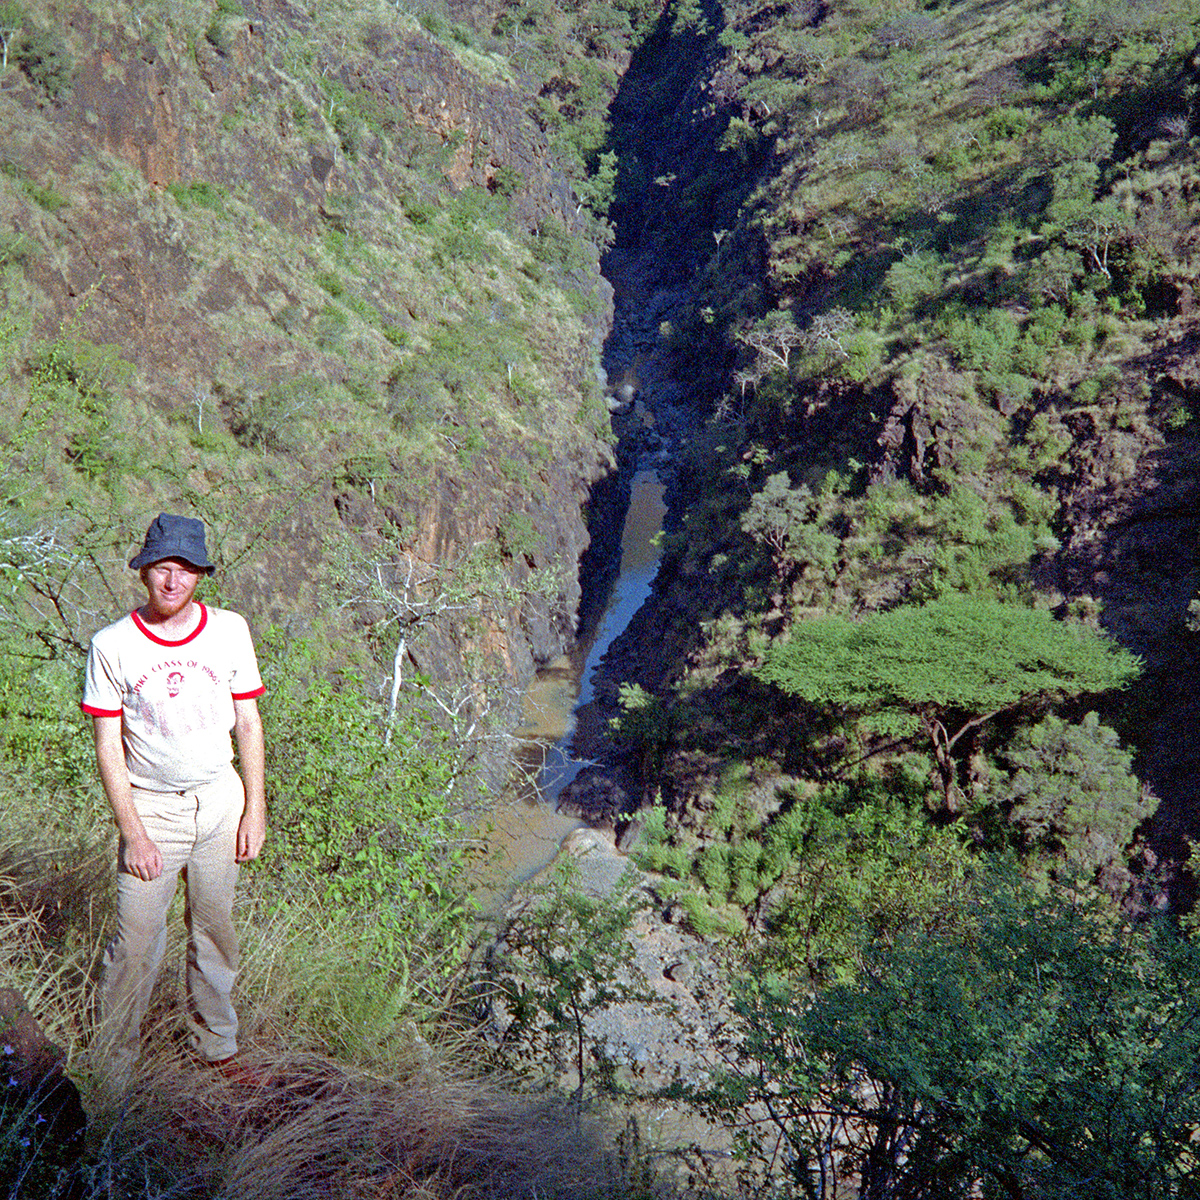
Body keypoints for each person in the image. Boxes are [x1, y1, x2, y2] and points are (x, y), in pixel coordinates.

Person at [81, 513, 266, 1082]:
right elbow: (108, 745)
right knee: (134, 945)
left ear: (200, 575)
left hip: (219, 802)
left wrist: (255, 809)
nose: (172, 581)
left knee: (215, 930)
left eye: (185, 570)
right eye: (163, 568)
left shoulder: (230, 629)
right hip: (152, 808)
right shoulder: (112, 645)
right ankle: (112, 1070)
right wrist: (133, 831)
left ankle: (218, 1046)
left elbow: (248, 721)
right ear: (144, 573)